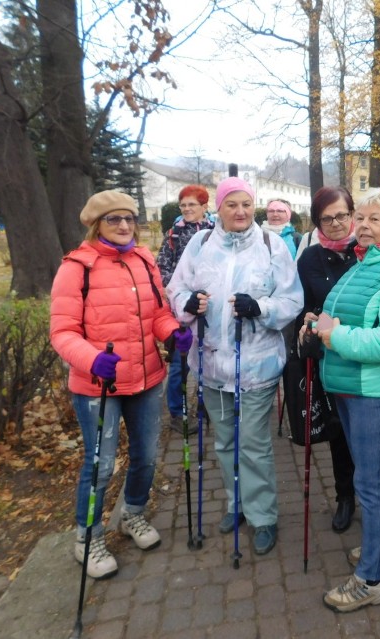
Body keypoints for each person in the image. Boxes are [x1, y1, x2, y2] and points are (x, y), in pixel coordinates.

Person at [50, 190, 190, 579]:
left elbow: (158, 313)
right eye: (114, 219)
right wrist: (92, 358)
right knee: (101, 464)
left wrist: (172, 333)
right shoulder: (78, 267)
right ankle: (88, 538)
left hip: (145, 378)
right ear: (98, 224)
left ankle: (132, 514)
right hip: (99, 386)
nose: (125, 226)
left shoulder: (143, 260)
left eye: (129, 218)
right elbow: (61, 333)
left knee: (146, 456)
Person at [304, 187, 380, 613]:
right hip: (351, 385)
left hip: (372, 390)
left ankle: (373, 579)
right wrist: (318, 322)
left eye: (375, 219)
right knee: (376, 477)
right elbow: (352, 315)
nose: (362, 226)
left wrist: (333, 335)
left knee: (370, 484)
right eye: (361, 218)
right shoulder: (364, 262)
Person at [166, 177, 303, 556]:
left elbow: (292, 299)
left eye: (246, 204)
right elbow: (176, 289)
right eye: (232, 205)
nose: (240, 211)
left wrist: (261, 308)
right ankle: (236, 504)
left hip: (256, 367)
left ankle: (263, 516)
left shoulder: (270, 245)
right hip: (211, 365)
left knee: (254, 445)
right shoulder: (200, 243)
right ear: (220, 209)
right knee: (225, 442)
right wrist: (188, 304)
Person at [295, 186, 358, 532]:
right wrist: (311, 324)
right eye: (326, 218)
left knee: (378, 436)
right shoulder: (310, 259)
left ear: (352, 213)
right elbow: (305, 306)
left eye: (341, 215)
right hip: (330, 358)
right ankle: (344, 495)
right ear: (317, 221)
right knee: (338, 431)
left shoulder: (369, 252)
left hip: (367, 356)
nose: (335, 223)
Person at [155, 184, 216, 434]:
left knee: (207, 356)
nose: (187, 209)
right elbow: (162, 268)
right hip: (181, 307)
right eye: (183, 205)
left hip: (210, 305)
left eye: (192, 204)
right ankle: (177, 413)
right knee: (181, 362)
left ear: (204, 206)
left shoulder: (216, 232)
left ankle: (205, 406)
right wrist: (182, 292)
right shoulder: (173, 234)